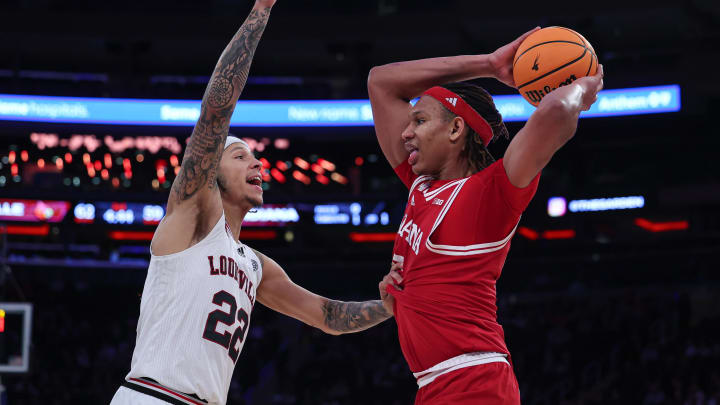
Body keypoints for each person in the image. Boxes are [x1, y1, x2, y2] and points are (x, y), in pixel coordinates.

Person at [110, 1, 394, 404]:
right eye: (239, 155)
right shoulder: (192, 216)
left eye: (255, 156)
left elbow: (329, 317)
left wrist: (391, 307)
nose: (257, 161)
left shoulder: (257, 266)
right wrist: (260, 10)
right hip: (152, 396)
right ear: (211, 172)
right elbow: (215, 111)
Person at [370, 28, 604, 404]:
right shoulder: (420, 184)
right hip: (434, 385)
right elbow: (381, 81)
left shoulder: (489, 193)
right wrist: (490, 65)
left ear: (456, 128)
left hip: (474, 382)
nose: (405, 133)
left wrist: (580, 90)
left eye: (420, 121)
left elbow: (557, 111)